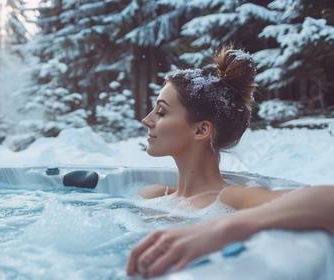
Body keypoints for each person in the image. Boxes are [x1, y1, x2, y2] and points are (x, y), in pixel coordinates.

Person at [126, 45, 334, 278]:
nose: (146, 120)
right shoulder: (151, 194)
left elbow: (329, 201)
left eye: (161, 112)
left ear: (201, 130)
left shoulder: (229, 197)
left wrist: (223, 228)